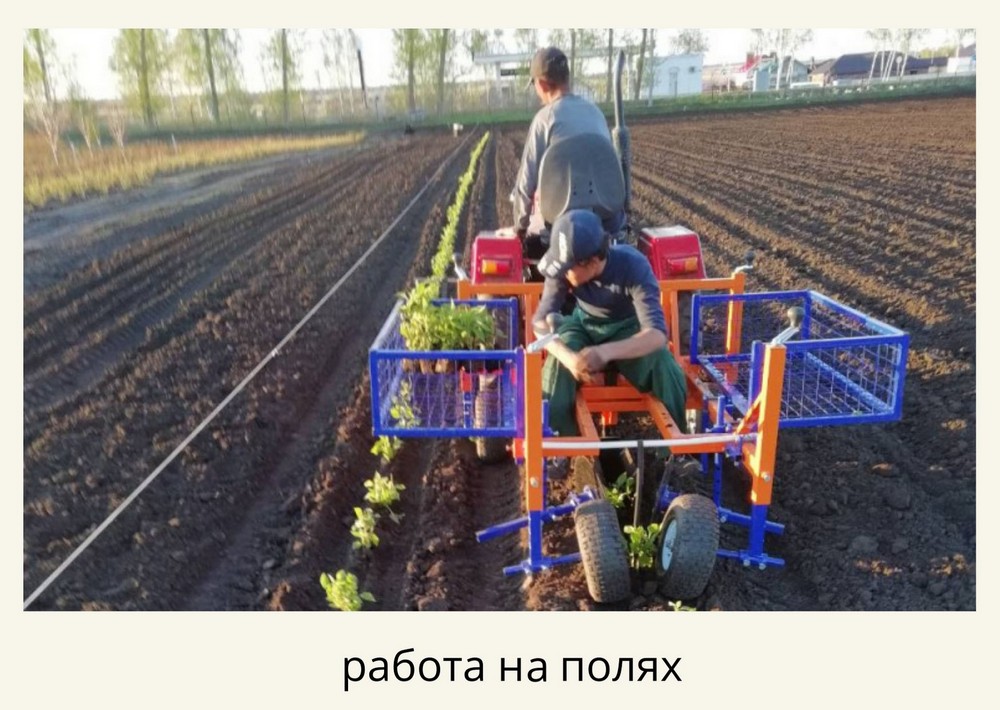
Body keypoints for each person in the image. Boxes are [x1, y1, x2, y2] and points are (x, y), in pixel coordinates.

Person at [532, 209, 687, 439]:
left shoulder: (633, 266)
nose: (562, 274)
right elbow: (539, 322)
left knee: (665, 367)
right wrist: (569, 358)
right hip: (583, 323)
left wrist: (605, 352)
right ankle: (563, 445)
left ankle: (676, 450)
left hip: (627, 328)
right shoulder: (562, 272)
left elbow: (656, 335)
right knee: (556, 367)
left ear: (592, 262)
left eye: (568, 269)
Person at [512, 46, 625, 241]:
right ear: (567, 78)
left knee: (534, 228)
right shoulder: (596, 113)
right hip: (607, 223)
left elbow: (526, 183)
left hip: (560, 227)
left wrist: (519, 229)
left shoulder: (545, 119)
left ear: (542, 85)